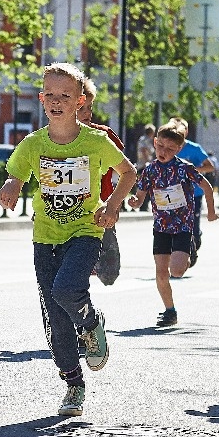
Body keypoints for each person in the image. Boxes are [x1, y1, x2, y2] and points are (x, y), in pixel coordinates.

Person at [0, 62, 136, 417]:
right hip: (45, 236)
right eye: (50, 95)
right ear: (42, 99)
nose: (56, 101)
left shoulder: (95, 142)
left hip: (85, 230)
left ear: (79, 102)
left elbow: (128, 173)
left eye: (65, 96)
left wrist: (112, 204)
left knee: (66, 290)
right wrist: (11, 187)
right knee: (54, 316)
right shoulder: (34, 144)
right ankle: (74, 384)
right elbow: (16, 175)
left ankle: (90, 324)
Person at [127, 120, 218, 327]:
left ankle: (189, 248)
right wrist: (135, 201)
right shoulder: (149, 170)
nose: (163, 151)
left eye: (170, 149)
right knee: (161, 273)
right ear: (155, 142)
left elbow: (207, 187)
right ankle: (170, 311)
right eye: (160, 146)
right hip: (161, 227)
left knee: (176, 271)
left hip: (183, 226)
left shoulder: (185, 168)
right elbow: (140, 196)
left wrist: (211, 212)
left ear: (179, 149)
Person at [78, 77, 124, 285]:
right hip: (68, 214)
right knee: (73, 272)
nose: (88, 113)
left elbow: (126, 172)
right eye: (81, 108)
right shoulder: (53, 139)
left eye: (90, 107)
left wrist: (114, 204)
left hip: (100, 211)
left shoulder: (103, 136)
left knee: (109, 274)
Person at [172, 117, 214, 264]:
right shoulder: (168, 147)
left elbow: (210, 166)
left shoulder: (194, 148)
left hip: (193, 193)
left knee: (192, 226)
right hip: (174, 194)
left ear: (186, 131)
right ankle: (179, 255)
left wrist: (192, 170)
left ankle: (195, 240)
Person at [135, 124, 156, 211]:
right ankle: (143, 205)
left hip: (143, 165)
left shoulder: (144, 139)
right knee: (145, 185)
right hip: (144, 166)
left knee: (146, 185)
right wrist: (147, 162)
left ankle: (144, 205)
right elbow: (144, 150)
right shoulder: (145, 140)